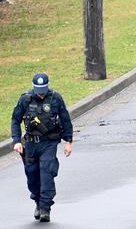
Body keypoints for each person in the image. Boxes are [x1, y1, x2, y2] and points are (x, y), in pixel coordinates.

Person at [11, 73, 73, 222]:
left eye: (43, 88)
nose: (41, 92)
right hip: (31, 144)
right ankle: (38, 202)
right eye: (38, 89)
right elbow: (15, 119)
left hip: (48, 143)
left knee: (47, 172)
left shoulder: (55, 98)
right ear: (34, 87)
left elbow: (65, 119)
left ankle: (45, 208)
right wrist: (16, 141)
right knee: (32, 177)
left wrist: (68, 141)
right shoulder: (25, 99)